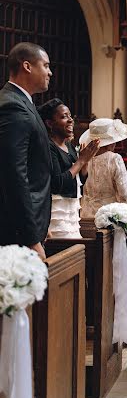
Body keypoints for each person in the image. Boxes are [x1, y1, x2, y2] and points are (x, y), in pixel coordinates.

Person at [0, 42, 52, 259]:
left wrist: (41, 223)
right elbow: (15, 175)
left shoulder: (23, 102)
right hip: (17, 233)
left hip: (28, 224)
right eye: (46, 65)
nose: (50, 72)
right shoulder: (12, 106)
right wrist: (30, 236)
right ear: (27, 66)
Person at [38, 98, 100, 238]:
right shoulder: (48, 147)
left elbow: (79, 179)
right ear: (50, 123)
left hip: (72, 212)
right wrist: (81, 160)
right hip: (56, 214)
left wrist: (86, 162)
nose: (71, 120)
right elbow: (57, 184)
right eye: (64, 116)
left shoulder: (69, 146)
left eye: (70, 115)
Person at [79, 118, 127, 218]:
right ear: (110, 142)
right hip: (108, 215)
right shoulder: (114, 159)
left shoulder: (82, 158)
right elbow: (125, 195)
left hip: (85, 215)